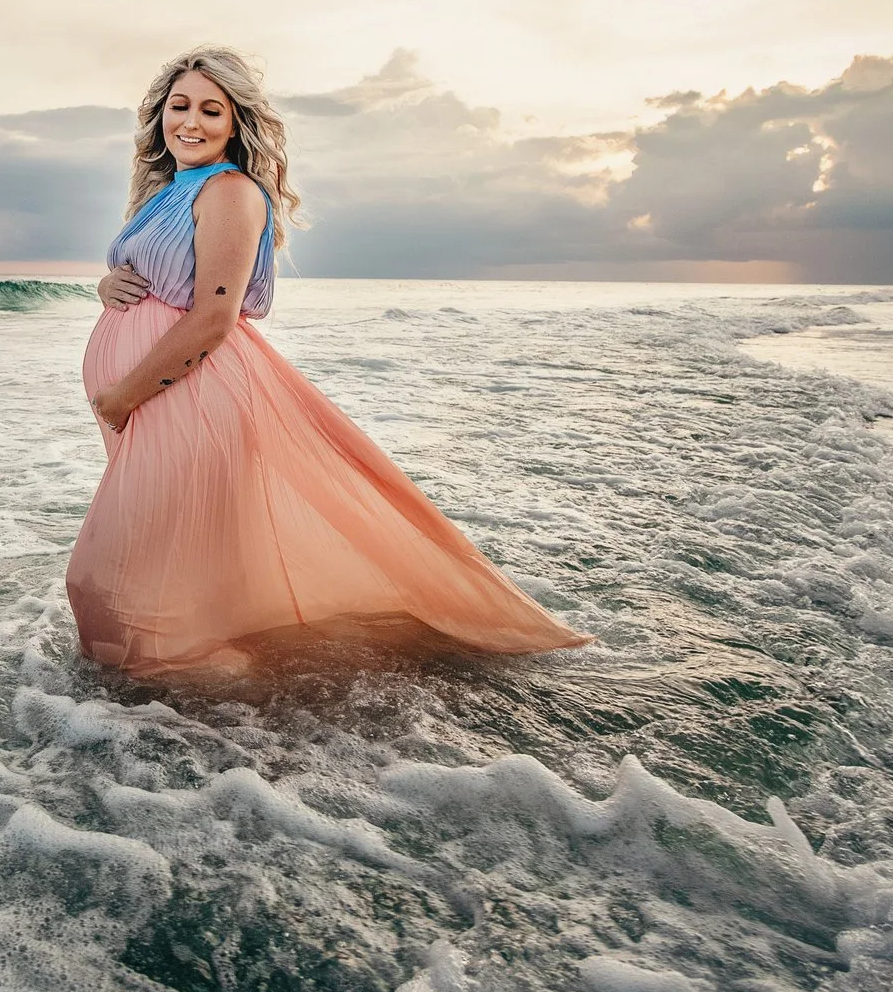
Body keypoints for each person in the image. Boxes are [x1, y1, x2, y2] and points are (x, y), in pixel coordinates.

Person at [67, 47, 593, 675]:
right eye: (179, 106)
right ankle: (201, 714)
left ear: (237, 124)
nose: (193, 121)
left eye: (213, 110)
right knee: (160, 565)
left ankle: (212, 722)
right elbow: (147, 275)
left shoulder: (230, 191)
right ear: (158, 116)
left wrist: (125, 392)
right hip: (157, 399)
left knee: (120, 569)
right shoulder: (167, 191)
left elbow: (214, 315)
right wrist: (109, 288)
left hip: (182, 396)